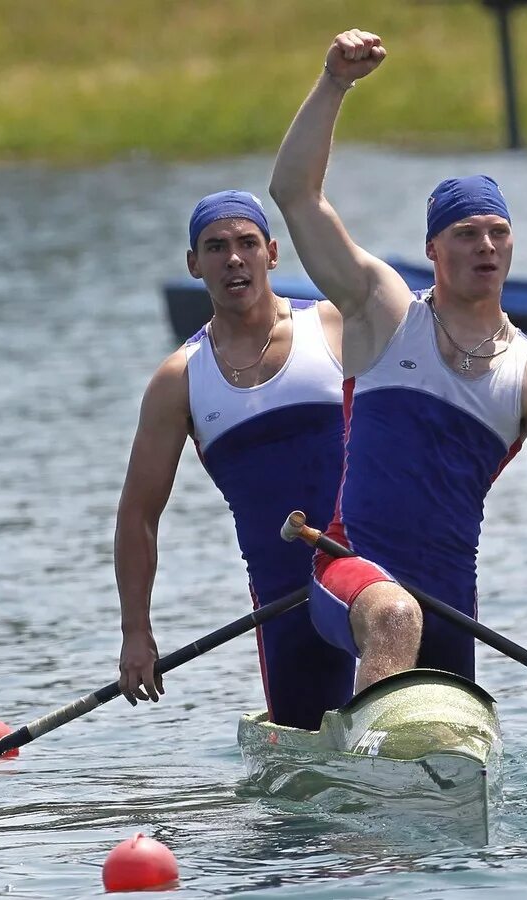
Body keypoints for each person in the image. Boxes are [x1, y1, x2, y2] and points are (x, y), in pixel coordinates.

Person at [269, 29, 527, 697]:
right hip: (350, 570)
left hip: (449, 597)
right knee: (393, 616)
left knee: (448, 749)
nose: (485, 245)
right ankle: (365, 770)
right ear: (433, 249)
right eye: (466, 233)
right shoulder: (383, 310)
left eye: (497, 233)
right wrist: (334, 83)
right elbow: (295, 195)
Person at [115, 189, 355, 730]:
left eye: (247, 243)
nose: (234, 259)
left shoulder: (335, 327)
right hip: (283, 602)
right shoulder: (179, 380)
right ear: (193, 264)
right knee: (306, 793)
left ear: (272, 253)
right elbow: (138, 517)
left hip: (371, 571)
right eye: (216, 247)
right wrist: (137, 632)